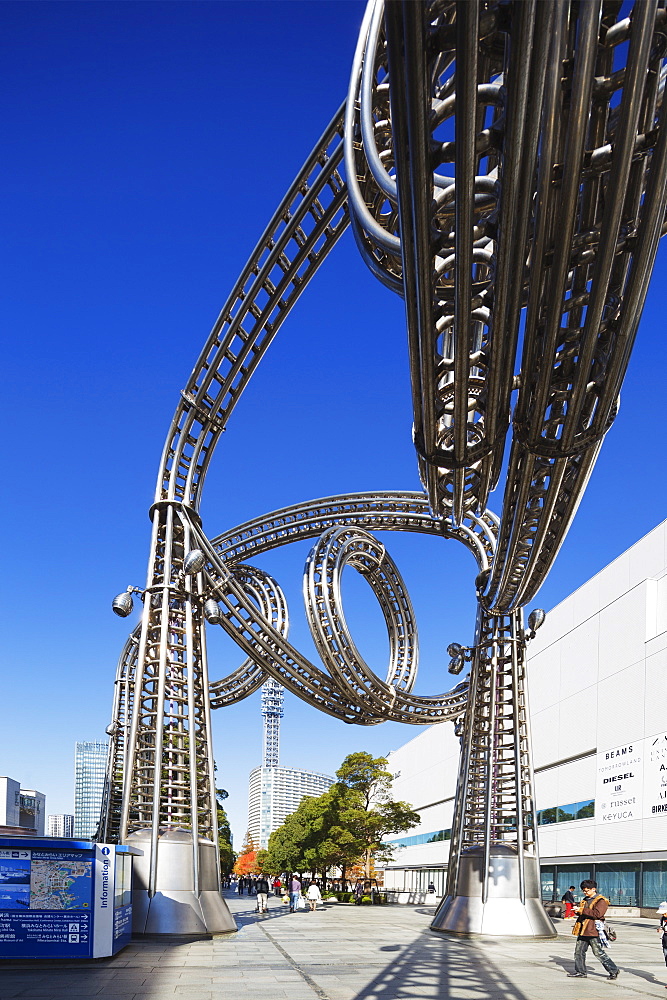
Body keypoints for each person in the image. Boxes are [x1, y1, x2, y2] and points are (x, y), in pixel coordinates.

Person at [568, 880, 620, 980]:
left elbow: (597, 914)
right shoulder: (585, 900)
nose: (585, 892)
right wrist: (578, 911)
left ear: (593, 889)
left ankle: (613, 970)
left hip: (594, 931)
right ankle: (580, 971)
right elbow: (584, 913)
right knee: (578, 952)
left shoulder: (601, 900)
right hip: (583, 930)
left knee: (598, 952)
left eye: (587, 891)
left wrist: (582, 910)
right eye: (583, 891)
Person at [657, 901, 667, 987]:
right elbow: (661, 926)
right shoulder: (662, 919)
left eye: (664, 913)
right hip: (665, 941)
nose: (663, 915)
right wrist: (660, 929)